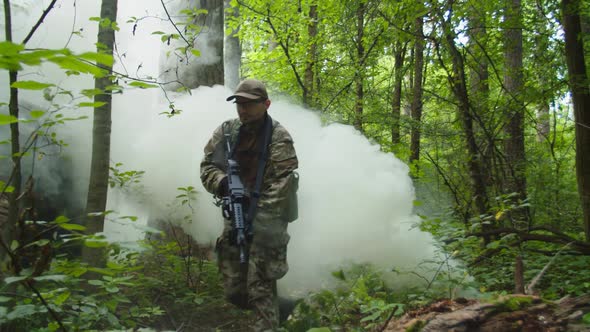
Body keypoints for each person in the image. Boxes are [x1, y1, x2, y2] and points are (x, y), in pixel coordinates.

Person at [200, 79, 299, 331]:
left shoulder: (279, 137)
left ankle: (267, 323)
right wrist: (222, 183)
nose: (242, 109)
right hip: (235, 217)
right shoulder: (227, 131)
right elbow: (207, 166)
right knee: (234, 289)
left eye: (249, 104)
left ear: (266, 104)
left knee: (259, 284)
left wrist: (257, 221)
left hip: (269, 222)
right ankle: (283, 307)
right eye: (239, 104)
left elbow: (281, 184)